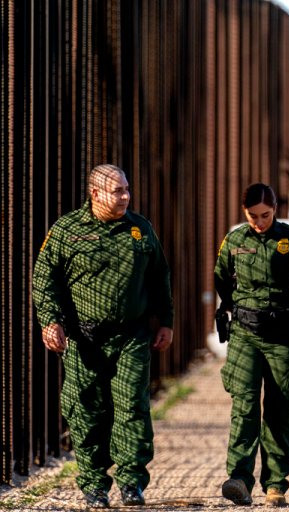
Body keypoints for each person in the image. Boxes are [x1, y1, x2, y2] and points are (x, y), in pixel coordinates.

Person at [32, 164, 174, 508]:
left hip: (131, 337)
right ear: (95, 194)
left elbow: (159, 277)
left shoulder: (140, 229)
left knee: (132, 408)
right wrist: (50, 321)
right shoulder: (67, 230)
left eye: (127, 189)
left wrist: (165, 321)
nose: (125, 196)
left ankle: (131, 483)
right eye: (117, 191)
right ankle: (94, 483)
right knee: (85, 410)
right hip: (84, 339)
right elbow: (44, 280)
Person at [214, 183, 289, 507]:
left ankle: (275, 483)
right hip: (245, 333)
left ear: (275, 210)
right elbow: (221, 278)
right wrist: (236, 306)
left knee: (281, 407)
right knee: (244, 407)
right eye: (253, 216)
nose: (260, 221)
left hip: (282, 333)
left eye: (266, 215)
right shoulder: (235, 240)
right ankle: (240, 478)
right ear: (245, 213)